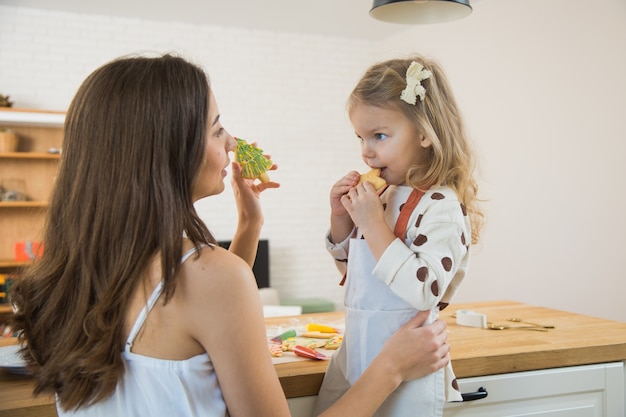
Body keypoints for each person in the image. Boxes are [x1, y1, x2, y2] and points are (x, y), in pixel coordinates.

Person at [10, 53, 452, 417]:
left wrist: (249, 224)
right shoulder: (213, 278)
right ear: (171, 150)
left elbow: (195, 316)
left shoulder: (65, 278)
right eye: (218, 127)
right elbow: (212, 295)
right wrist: (390, 368)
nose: (232, 142)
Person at [315, 55, 484, 416]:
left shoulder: (440, 205)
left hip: (411, 367)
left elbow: (424, 290)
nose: (366, 151)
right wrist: (341, 217)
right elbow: (351, 267)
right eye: (361, 137)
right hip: (357, 353)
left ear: (424, 133)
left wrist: (374, 224)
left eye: (379, 136)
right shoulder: (382, 195)